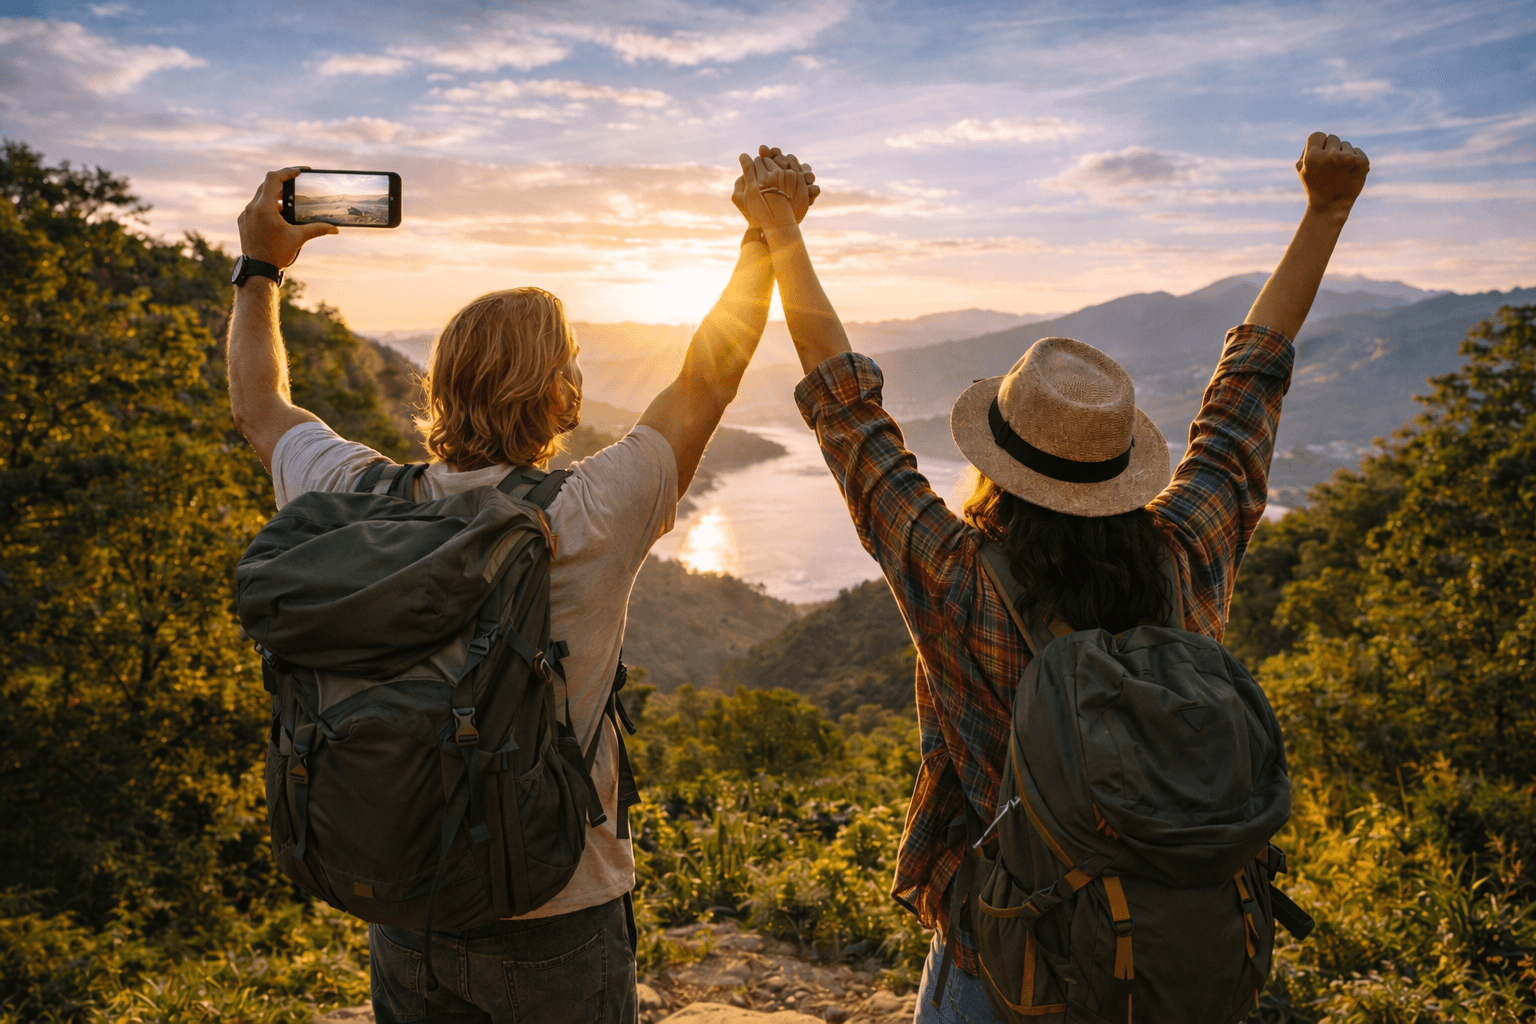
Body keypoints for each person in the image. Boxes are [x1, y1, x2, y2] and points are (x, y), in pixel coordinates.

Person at [738, 131, 1370, 1022]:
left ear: (997, 462)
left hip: (1007, 953)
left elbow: (849, 412)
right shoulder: (1185, 551)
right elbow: (1244, 398)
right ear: (1121, 467)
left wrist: (780, 231)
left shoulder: (961, 582)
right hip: (1164, 957)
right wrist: (1326, 213)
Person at [226, 150, 815, 1023]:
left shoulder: (350, 497)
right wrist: (764, 235)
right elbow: (707, 377)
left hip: (405, 898)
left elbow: (260, 405)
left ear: (440, 386)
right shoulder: (585, 515)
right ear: (564, 396)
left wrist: (260, 266)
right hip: (557, 911)